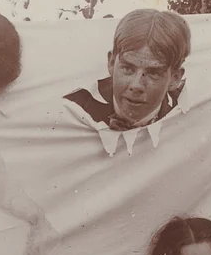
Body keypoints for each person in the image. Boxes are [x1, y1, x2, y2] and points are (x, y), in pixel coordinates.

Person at [64, 8, 190, 153]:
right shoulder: (74, 109)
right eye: (128, 69)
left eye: (153, 73)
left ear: (175, 79)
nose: (136, 85)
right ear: (112, 63)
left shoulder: (185, 112)